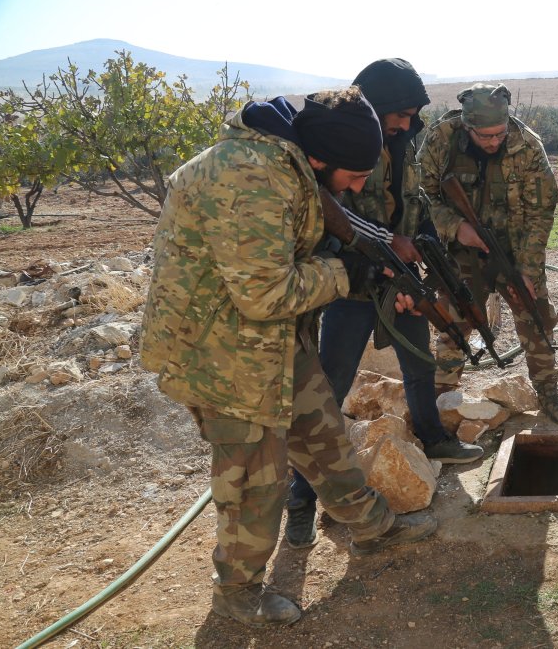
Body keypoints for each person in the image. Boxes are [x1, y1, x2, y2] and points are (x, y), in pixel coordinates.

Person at [140, 86, 436, 628]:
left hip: (271, 340)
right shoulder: (251, 179)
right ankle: (237, 594)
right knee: (257, 479)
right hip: (220, 353)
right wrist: (348, 274)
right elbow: (264, 293)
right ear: (320, 158)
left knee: (320, 429)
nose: (359, 186)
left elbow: (290, 251)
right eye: (353, 175)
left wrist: (357, 265)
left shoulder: (287, 165)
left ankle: (370, 526)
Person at [283, 59, 483, 550]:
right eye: (402, 114)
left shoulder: (403, 145)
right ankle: (301, 498)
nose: (407, 124)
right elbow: (333, 213)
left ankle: (433, 437)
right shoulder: (344, 146)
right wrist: (381, 249)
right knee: (330, 386)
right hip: (352, 283)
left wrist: (425, 252)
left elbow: (411, 204)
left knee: (419, 359)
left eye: (413, 116)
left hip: (401, 275)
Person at [417, 83, 558, 426]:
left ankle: (548, 391)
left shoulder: (529, 146)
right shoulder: (442, 139)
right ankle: (441, 398)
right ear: (468, 126)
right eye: (484, 136)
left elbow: (542, 211)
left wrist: (529, 271)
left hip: (515, 249)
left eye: (499, 134)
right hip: (462, 250)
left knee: (536, 317)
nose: (493, 142)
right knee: (456, 321)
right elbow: (421, 194)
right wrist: (456, 227)